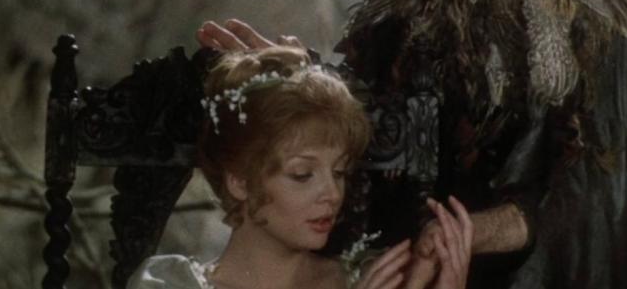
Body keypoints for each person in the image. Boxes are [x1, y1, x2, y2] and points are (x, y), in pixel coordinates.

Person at [127, 45, 472, 289]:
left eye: (339, 173)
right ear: (239, 181)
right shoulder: (170, 284)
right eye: (303, 174)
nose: (332, 194)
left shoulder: (378, 277)